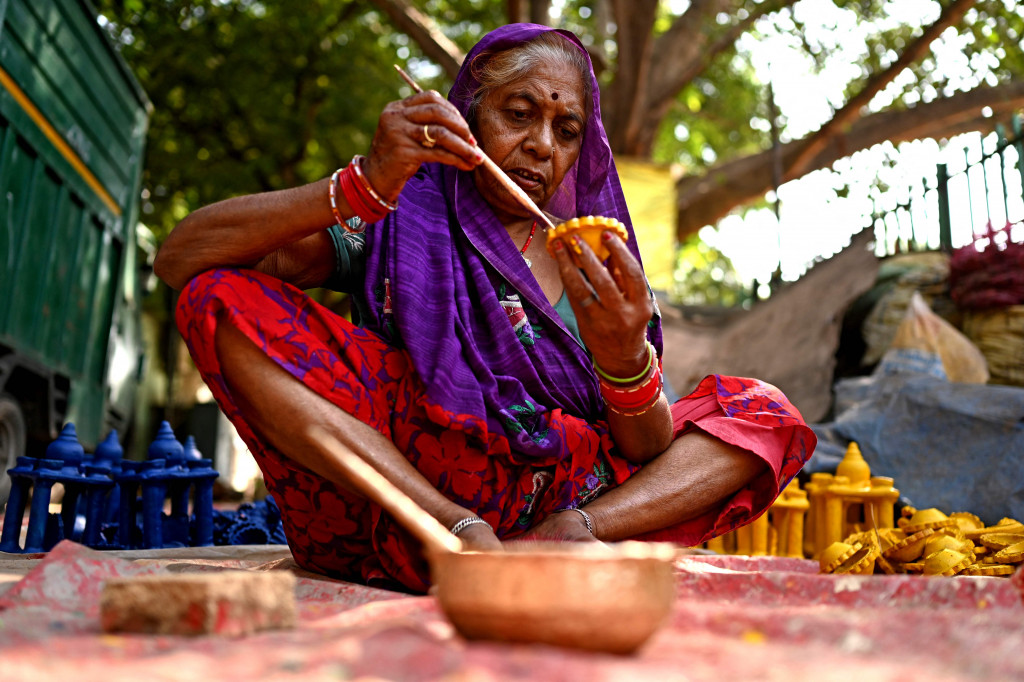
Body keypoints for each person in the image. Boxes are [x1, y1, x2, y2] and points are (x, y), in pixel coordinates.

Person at [155, 24, 815, 593]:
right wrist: (363, 184)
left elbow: (644, 446)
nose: (542, 145)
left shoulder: (594, 262)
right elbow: (182, 259)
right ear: (467, 117)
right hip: (407, 498)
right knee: (218, 300)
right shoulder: (400, 218)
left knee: (761, 411)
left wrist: (624, 358)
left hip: (564, 495)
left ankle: (565, 535)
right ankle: (453, 528)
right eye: (518, 114)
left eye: (566, 130)